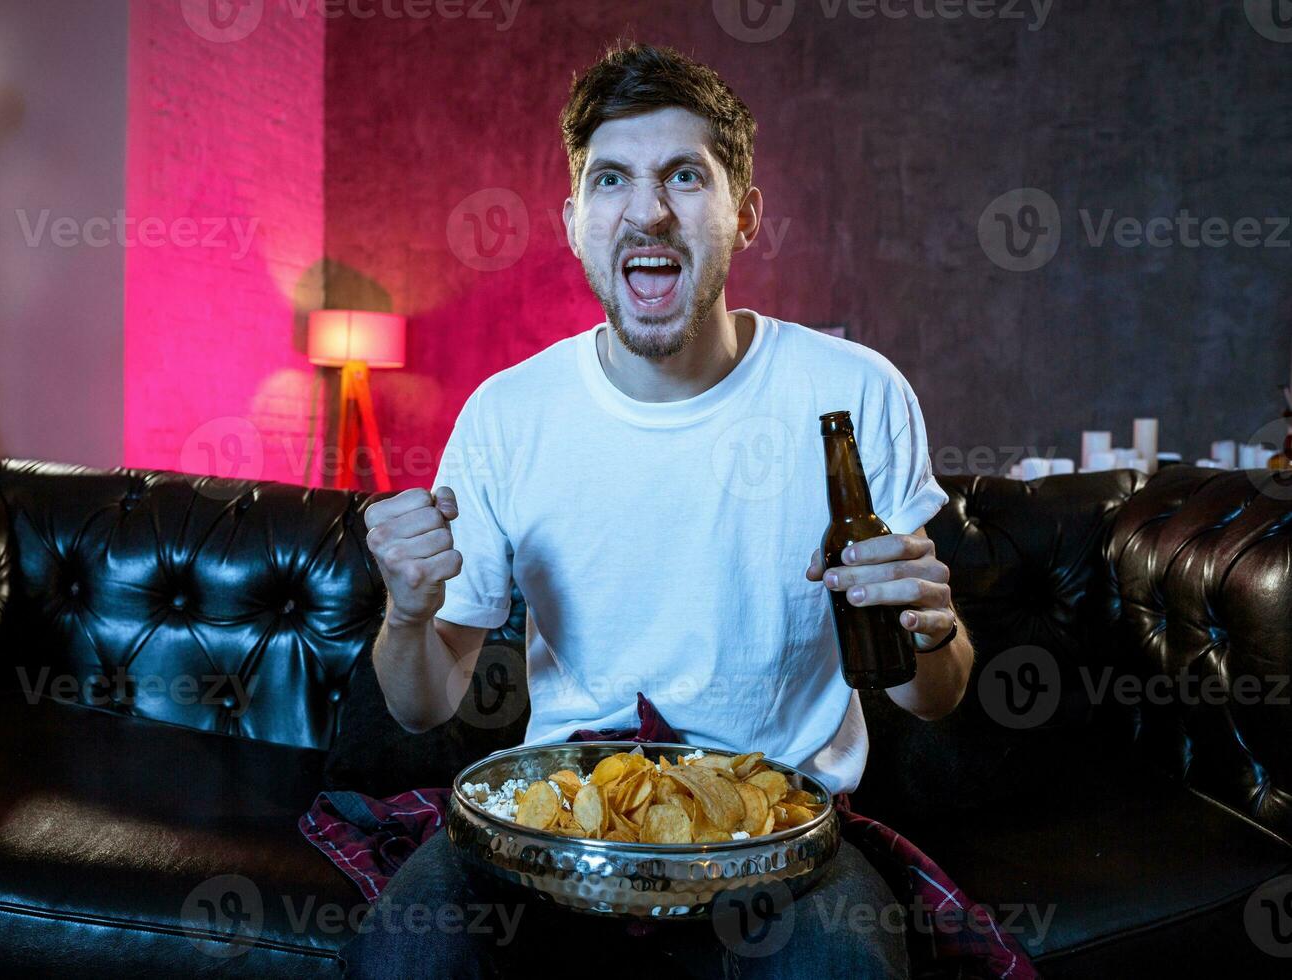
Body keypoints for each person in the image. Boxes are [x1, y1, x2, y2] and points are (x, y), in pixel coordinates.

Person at [340, 41, 973, 979]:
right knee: (404, 960)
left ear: (745, 214)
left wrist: (928, 626)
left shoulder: (857, 396)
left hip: (781, 836)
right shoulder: (507, 415)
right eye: (611, 180)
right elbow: (423, 702)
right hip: (560, 821)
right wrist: (407, 611)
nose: (648, 209)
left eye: (685, 174)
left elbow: (940, 690)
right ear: (573, 219)